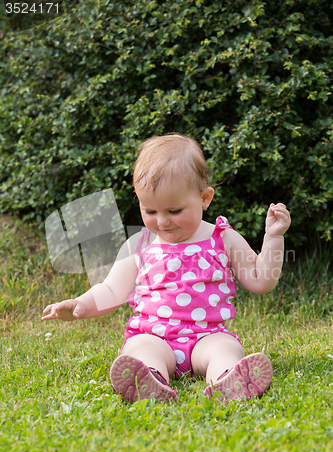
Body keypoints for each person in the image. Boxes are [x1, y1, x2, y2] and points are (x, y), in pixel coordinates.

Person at [42, 133, 291, 405]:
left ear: (205, 198)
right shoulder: (139, 244)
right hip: (153, 335)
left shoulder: (223, 238)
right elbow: (111, 290)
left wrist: (274, 238)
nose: (162, 221)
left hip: (207, 336)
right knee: (141, 349)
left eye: (174, 211)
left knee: (226, 348)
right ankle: (149, 378)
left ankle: (227, 378)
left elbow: (260, 280)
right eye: (150, 211)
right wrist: (79, 305)